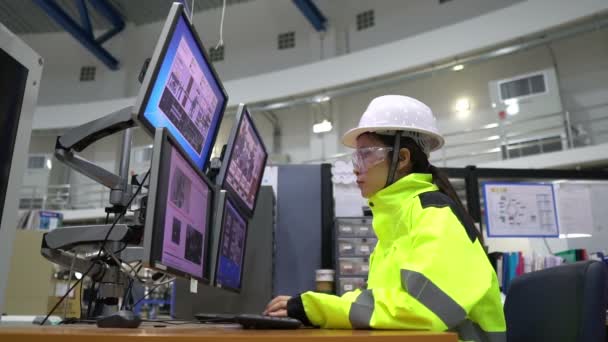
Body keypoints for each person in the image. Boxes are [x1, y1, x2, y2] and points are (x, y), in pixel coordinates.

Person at [264, 95, 506, 341]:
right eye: (355, 156)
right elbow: (384, 307)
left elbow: (421, 310)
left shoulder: (435, 216)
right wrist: (318, 306)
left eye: (366, 154)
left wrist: (318, 308)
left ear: (402, 158)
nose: (356, 167)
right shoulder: (395, 225)